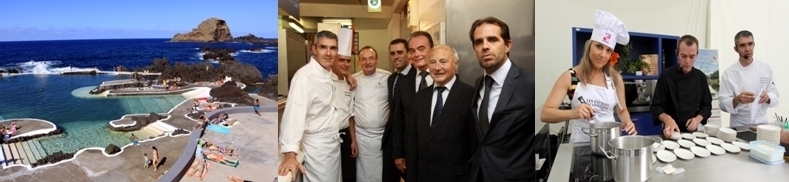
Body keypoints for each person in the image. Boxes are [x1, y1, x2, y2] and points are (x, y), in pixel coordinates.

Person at [278, 30, 342, 182]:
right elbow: (294, 116)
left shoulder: (327, 73)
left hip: (331, 146)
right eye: (323, 47)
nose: (328, 53)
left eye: (333, 48)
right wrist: (290, 155)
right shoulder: (304, 77)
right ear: (314, 49)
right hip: (316, 149)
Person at [406, 45, 477, 181]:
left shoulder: (470, 95)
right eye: (433, 62)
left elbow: (475, 146)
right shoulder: (421, 96)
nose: (437, 68)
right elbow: (413, 143)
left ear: (456, 65)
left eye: (443, 62)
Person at [391, 31, 436, 179]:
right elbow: (398, 120)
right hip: (411, 154)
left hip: (438, 154)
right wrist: (398, 153)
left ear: (432, 49)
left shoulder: (442, 77)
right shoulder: (403, 81)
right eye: (412, 50)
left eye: (421, 49)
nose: (417, 54)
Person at [650, 35, 712, 137]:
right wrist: (668, 119)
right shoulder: (666, 75)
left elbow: (706, 106)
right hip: (670, 132)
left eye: (692, 56)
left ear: (697, 55)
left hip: (693, 134)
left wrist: (697, 119)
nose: (687, 61)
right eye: (683, 56)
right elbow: (656, 107)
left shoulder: (701, 77)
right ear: (677, 54)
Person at [719, 30, 779, 127]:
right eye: (742, 45)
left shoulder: (765, 68)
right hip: (740, 123)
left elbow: (775, 93)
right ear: (736, 49)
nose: (747, 49)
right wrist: (737, 100)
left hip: (762, 122)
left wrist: (768, 97)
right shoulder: (729, 74)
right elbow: (722, 103)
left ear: (754, 45)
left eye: (750, 44)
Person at [352, 46, 391, 181]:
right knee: (363, 174)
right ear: (359, 62)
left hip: (383, 136)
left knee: (382, 173)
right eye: (364, 59)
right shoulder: (353, 80)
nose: (368, 62)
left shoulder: (388, 78)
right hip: (361, 137)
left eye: (371, 58)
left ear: (377, 60)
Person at [382, 38, 412, 182]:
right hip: (391, 139)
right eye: (392, 53)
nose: (396, 56)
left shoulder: (417, 77)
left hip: (408, 141)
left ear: (408, 54)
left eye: (400, 52)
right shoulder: (391, 78)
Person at [330, 29, 358, 182]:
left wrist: (353, 140)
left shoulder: (350, 84)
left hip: (346, 136)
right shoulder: (324, 79)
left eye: (348, 60)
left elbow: (350, 115)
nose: (345, 64)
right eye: (341, 60)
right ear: (333, 60)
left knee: (348, 176)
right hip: (328, 138)